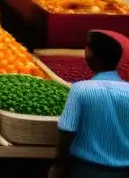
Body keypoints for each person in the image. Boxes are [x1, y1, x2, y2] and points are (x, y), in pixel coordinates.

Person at [51, 30, 129, 178]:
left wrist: (58, 165)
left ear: (91, 54)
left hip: (85, 170)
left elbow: (66, 130)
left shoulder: (80, 89)